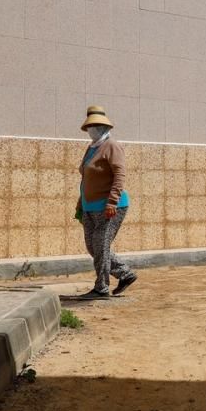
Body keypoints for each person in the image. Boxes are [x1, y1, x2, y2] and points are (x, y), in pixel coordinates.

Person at [74, 105, 137, 298]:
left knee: (101, 245)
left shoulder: (112, 146)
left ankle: (101, 287)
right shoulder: (91, 149)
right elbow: (86, 178)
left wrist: (112, 202)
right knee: (93, 247)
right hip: (89, 207)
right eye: (90, 126)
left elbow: (119, 174)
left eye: (95, 126)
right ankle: (125, 274)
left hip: (110, 206)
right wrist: (80, 203)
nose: (91, 130)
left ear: (103, 127)